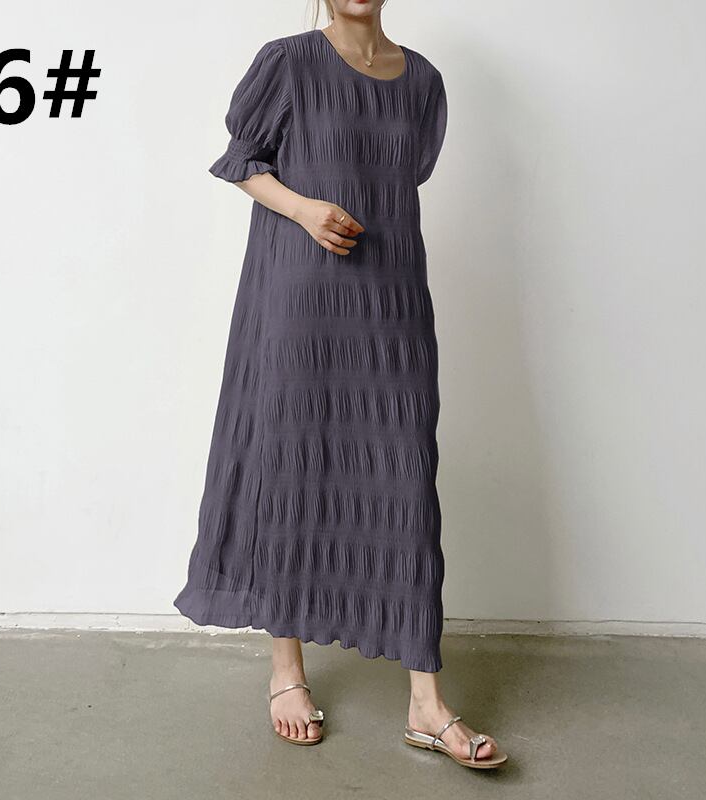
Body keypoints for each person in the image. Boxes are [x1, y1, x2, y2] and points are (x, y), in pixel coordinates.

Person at [174, 0, 507, 769]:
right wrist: (304, 208)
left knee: (405, 480)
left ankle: (427, 703)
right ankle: (286, 670)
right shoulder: (286, 61)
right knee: (291, 465)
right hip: (300, 295)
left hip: (390, 299)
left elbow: (401, 177)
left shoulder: (423, 82)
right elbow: (243, 161)